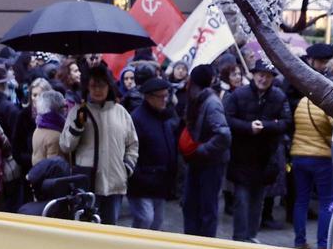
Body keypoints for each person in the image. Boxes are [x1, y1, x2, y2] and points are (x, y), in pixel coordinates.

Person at [59, 64, 139, 225]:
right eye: (94, 85)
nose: (98, 90)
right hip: (88, 184)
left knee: (110, 231)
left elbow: (132, 144)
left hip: (115, 184)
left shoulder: (121, 112)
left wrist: (127, 168)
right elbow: (66, 146)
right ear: (87, 87)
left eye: (102, 85)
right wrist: (77, 126)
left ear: (109, 86)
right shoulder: (78, 111)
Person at [224, 60, 292, 242]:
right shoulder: (238, 95)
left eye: (268, 76)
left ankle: (251, 235)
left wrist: (267, 126)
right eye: (261, 75)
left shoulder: (279, 97)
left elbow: (286, 122)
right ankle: (239, 237)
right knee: (242, 200)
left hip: (266, 158)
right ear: (254, 75)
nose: (264, 79)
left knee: (257, 201)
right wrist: (248, 127)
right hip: (241, 157)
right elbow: (228, 120)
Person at [179, 64, 231, 237]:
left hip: (210, 163)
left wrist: (201, 149)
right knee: (190, 204)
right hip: (197, 160)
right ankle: (191, 241)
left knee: (207, 207)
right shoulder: (196, 99)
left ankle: (205, 244)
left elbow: (223, 135)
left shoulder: (212, 103)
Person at [128, 77, 180, 230]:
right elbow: (131, 150)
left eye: (166, 95)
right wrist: (137, 176)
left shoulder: (163, 115)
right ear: (149, 97)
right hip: (142, 181)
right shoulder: (137, 119)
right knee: (145, 218)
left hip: (160, 180)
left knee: (157, 221)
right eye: (161, 96)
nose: (165, 99)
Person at [290, 95, 333, 249]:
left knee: (301, 200)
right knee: (327, 201)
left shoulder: (302, 101)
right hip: (322, 159)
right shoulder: (327, 104)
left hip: (299, 156)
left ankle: (299, 242)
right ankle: (323, 244)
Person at [31, 88, 68, 167]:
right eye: (64, 107)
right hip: (50, 177)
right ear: (59, 109)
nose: (66, 111)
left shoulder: (39, 128)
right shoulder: (56, 136)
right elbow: (56, 169)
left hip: (39, 175)